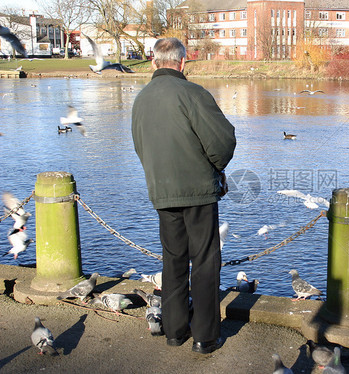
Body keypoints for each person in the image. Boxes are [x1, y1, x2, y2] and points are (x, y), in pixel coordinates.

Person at [131, 38, 236, 354]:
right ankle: (205, 336)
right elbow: (224, 141)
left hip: (162, 191)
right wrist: (215, 170)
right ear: (182, 62)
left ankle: (174, 331)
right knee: (204, 262)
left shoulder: (141, 100)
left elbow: (141, 147)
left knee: (172, 259)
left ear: (153, 62)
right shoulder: (193, 94)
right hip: (198, 191)